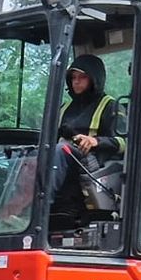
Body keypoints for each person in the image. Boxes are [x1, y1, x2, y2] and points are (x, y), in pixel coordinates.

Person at [51, 53, 124, 211]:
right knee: (29, 155)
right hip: (64, 161)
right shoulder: (64, 108)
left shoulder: (110, 106)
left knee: (58, 151)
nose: (76, 81)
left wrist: (95, 141)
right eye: (73, 77)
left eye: (82, 77)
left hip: (91, 165)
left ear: (94, 78)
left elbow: (125, 143)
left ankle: (38, 208)